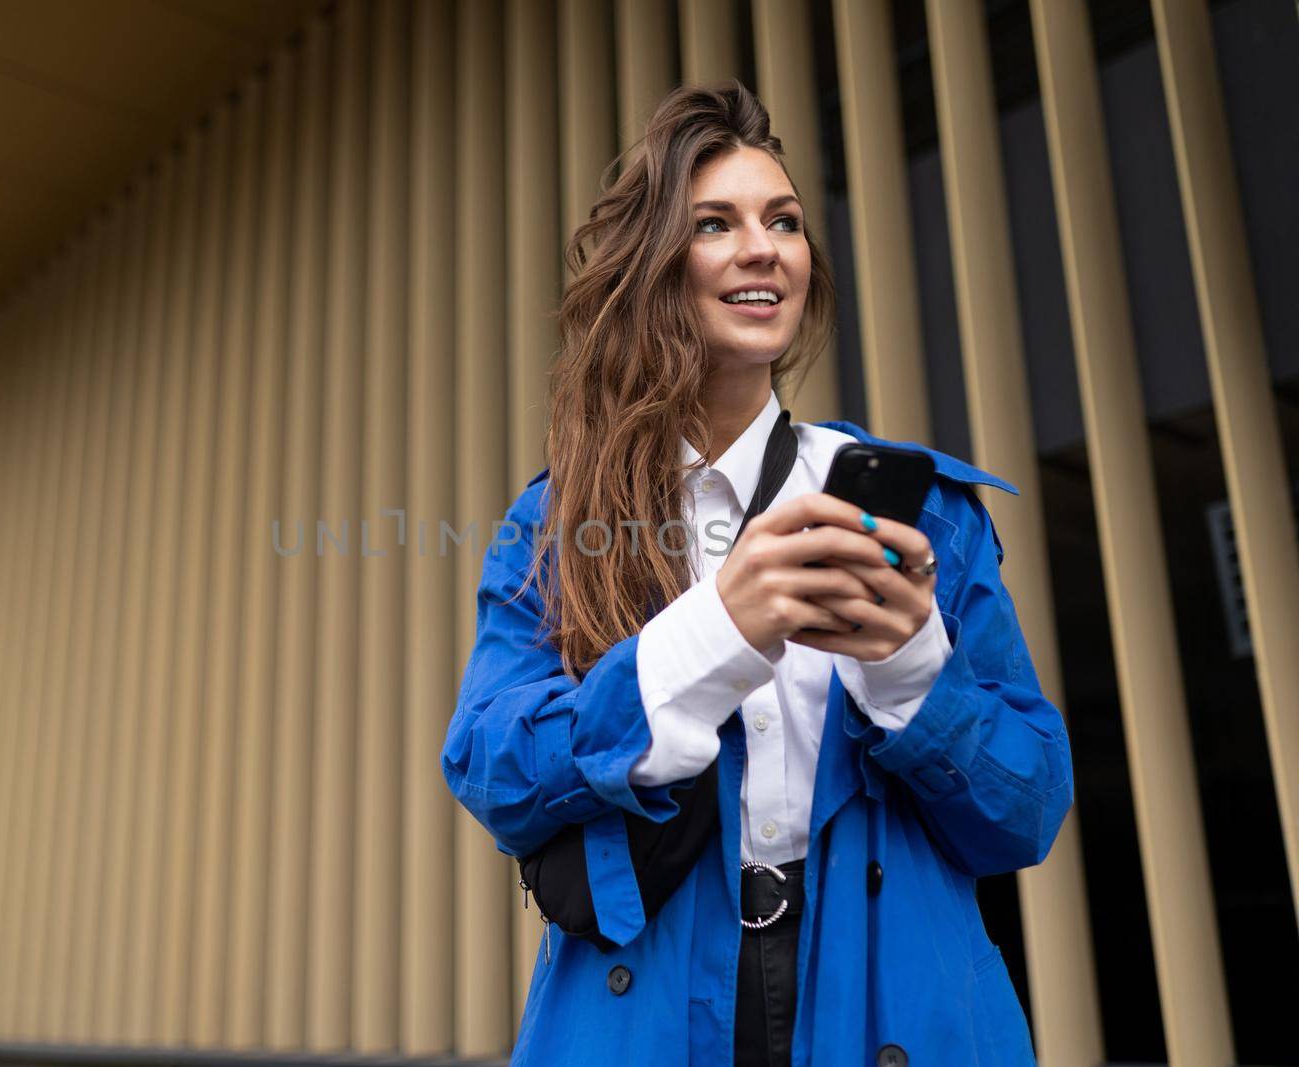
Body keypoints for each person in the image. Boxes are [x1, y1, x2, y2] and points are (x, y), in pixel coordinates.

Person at [441, 81, 1072, 1067]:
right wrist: (714, 632)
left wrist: (911, 670)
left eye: (782, 220)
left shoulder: (924, 513)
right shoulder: (560, 523)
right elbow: (491, 769)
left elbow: (1027, 811)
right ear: (654, 270)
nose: (762, 246)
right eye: (714, 223)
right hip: (638, 1014)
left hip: (893, 1010)